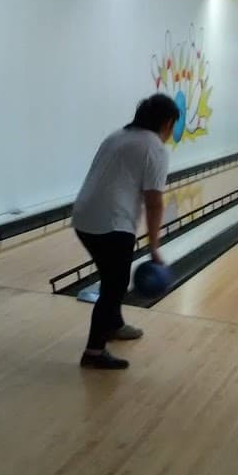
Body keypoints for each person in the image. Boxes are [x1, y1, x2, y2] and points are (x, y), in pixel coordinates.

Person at [72, 94, 180, 369]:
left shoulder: (117, 136)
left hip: (84, 217)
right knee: (114, 285)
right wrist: (154, 246)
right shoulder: (154, 147)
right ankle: (94, 352)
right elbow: (154, 202)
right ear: (167, 123)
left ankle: (114, 324)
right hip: (111, 222)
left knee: (113, 278)